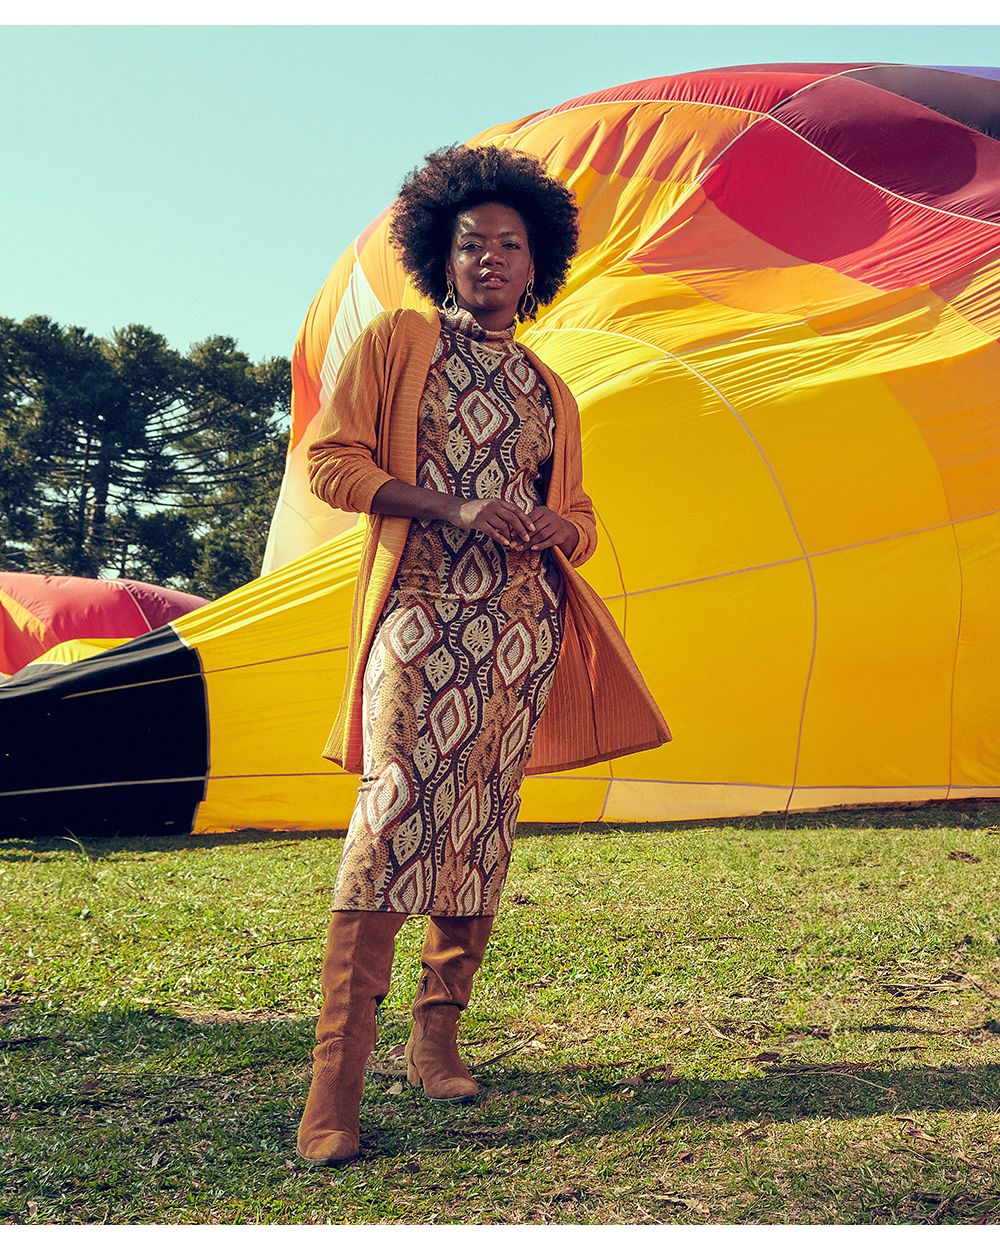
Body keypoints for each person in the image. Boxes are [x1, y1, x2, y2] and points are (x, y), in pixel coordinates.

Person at [296, 143, 671, 1165]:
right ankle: (335, 1085)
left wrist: (565, 532)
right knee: (396, 808)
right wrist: (452, 502)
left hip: (517, 629)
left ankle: (438, 1036)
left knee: (479, 820)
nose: (490, 259)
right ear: (440, 253)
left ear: (535, 260)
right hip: (419, 609)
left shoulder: (553, 386)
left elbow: (579, 511)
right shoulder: (399, 341)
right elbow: (334, 462)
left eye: (509, 245)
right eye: (471, 244)